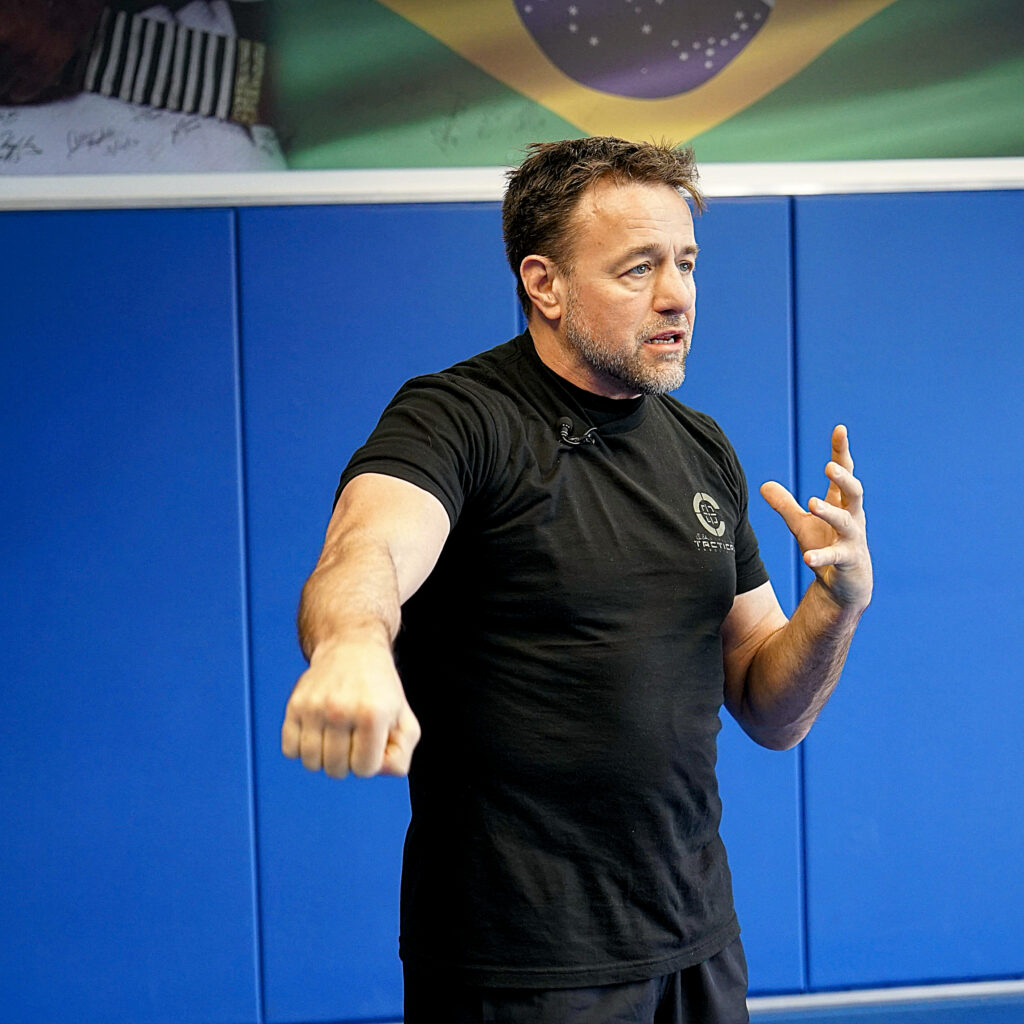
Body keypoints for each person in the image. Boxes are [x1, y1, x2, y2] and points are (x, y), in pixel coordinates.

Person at [281, 137, 873, 1023]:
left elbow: (768, 708)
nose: (677, 295)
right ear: (544, 285)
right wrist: (351, 646)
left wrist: (835, 605)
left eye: (685, 262)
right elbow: (365, 549)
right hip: (520, 966)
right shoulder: (459, 417)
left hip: (697, 943)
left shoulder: (700, 444)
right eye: (638, 269)